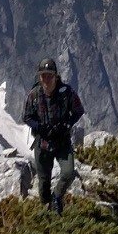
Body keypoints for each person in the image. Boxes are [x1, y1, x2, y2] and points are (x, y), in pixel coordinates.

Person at [22, 57, 84, 213]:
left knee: (68, 173)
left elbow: (78, 111)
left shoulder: (67, 93)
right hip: (42, 143)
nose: (46, 79)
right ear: (39, 76)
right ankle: (48, 211)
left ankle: (57, 196)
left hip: (62, 142)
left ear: (56, 76)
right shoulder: (34, 95)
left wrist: (66, 124)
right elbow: (26, 116)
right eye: (43, 75)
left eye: (49, 75)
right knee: (43, 182)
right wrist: (40, 127)